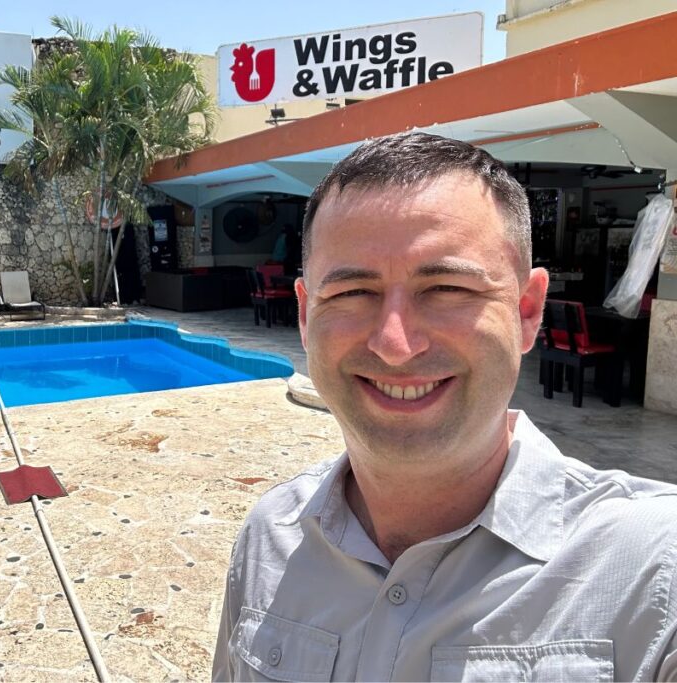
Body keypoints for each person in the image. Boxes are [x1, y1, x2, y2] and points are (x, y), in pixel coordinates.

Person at [213, 132, 677, 681]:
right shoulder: (272, 535)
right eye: (352, 293)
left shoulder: (651, 566)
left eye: (448, 288)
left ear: (528, 311)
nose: (395, 343)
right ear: (307, 317)